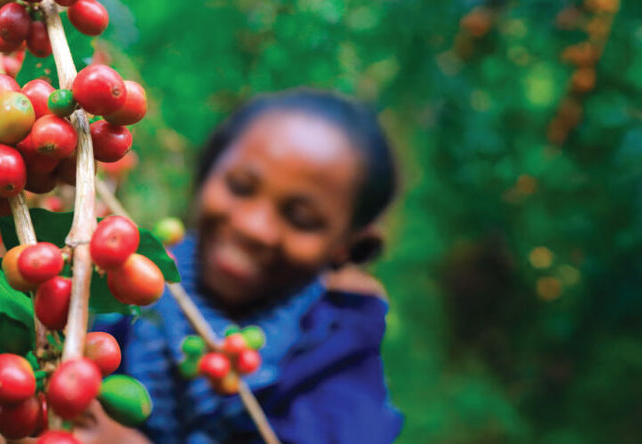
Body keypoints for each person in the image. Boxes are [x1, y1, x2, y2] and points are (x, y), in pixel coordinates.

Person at [81, 89, 404, 443]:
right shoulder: (124, 284)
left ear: (346, 246)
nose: (254, 227)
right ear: (208, 171)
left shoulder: (341, 365)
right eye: (239, 187)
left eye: (301, 219)